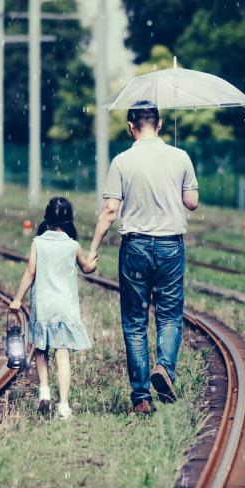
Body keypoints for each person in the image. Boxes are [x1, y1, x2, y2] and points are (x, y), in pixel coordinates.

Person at [87, 102, 199, 416]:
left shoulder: (122, 161)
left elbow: (110, 209)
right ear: (160, 124)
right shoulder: (180, 157)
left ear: (131, 127)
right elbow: (192, 202)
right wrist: (175, 183)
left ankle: (141, 398)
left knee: (135, 323)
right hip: (169, 247)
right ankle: (165, 366)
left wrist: (93, 249)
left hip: (134, 247)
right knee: (169, 315)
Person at [9, 197, 96, 419]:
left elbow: (30, 273)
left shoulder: (38, 242)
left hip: (44, 306)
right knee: (62, 354)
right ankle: (64, 406)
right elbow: (86, 267)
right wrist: (92, 262)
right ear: (69, 221)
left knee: (41, 350)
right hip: (64, 307)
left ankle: (44, 392)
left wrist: (18, 299)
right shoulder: (73, 245)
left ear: (47, 218)